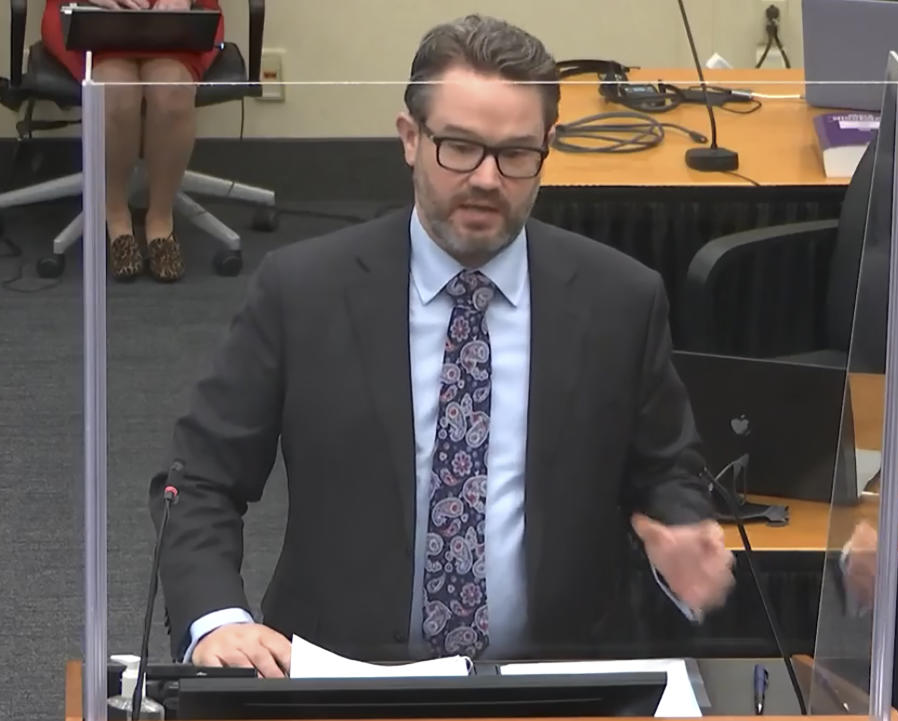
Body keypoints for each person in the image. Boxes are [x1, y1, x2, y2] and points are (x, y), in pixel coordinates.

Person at [150, 14, 734, 677]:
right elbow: (197, 479)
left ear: (548, 146)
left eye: (516, 154)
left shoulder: (619, 300)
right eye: (459, 147)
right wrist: (217, 619)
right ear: (410, 138)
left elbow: (667, 471)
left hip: (552, 682)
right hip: (340, 677)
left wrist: (685, 533)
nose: (487, 179)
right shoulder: (304, 290)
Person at [42, 0, 225, 282]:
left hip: (179, 17)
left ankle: (161, 220)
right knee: (114, 92)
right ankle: (116, 218)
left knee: (172, 93)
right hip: (89, 15)